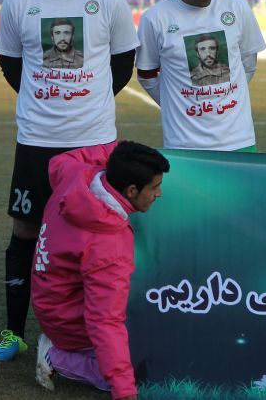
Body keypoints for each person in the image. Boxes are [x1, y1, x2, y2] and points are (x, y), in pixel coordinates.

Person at [0, 0, 139, 362]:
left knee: (94, 234)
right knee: (25, 229)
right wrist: (44, 100)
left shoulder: (108, 0)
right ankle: (13, 332)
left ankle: (90, 330)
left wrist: (86, 103)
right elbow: (10, 63)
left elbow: (122, 64)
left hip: (93, 143)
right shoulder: (19, 2)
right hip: (36, 140)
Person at [32, 141, 170, 399]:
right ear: (131, 190)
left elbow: (59, 161)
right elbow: (104, 321)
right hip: (67, 320)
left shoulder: (75, 174)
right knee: (135, 373)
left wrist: (125, 149)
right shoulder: (108, 246)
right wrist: (124, 389)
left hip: (51, 299)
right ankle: (56, 357)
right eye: (155, 187)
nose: (159, 194)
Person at [136, 0, 265, 151]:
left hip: (239, 141)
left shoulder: (238, 8)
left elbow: (248, 64)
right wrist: (176, 105)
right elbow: (146, 75)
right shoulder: (155, 18)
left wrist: (224, 98)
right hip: (185, 145)